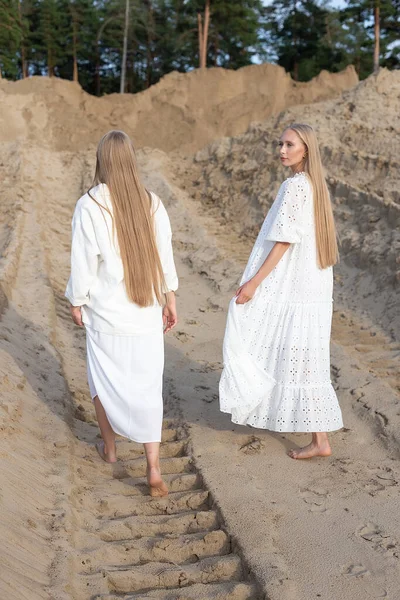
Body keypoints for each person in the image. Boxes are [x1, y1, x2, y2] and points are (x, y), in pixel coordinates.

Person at [219, 123, 343, 459]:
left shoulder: (295, 187)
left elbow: (285, 239)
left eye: (290, 144)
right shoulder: (314, 186)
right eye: (280, 144)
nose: (282, 150)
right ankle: (320, 440)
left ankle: (320, 440)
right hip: (314, 283)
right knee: (307, 357)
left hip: (298, 286)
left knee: (294, 352)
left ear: (306, 149)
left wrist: (254, 283)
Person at [65, 130, 178, 495]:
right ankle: (154, 467)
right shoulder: (152, 203)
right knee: (147, 388)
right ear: (131, 159)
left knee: (102, 380)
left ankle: (111, 450)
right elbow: (165, 255)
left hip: (107, 314)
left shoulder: (91, 204)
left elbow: (83, 261)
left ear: (101, 160)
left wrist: (76, 299)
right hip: (145, 313)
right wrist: (170, 296)